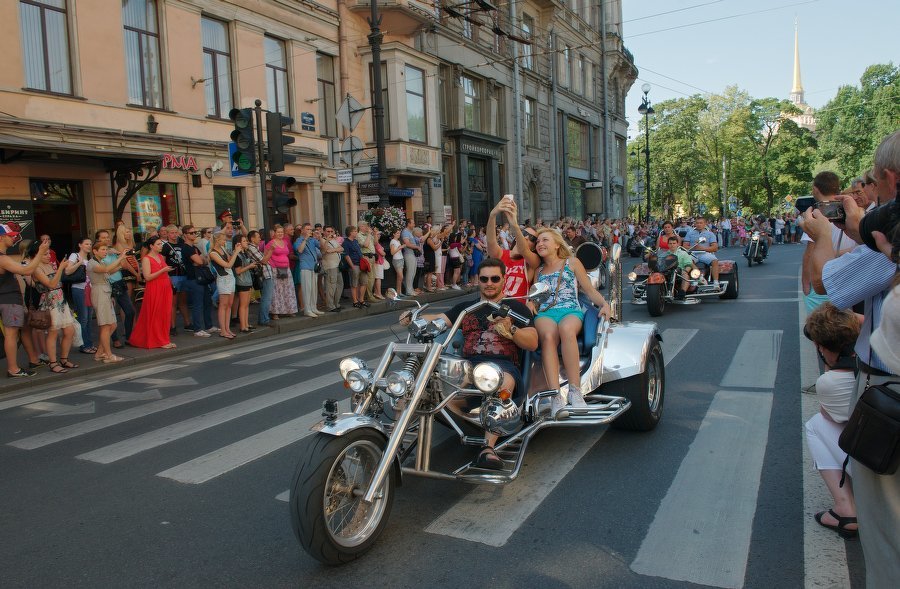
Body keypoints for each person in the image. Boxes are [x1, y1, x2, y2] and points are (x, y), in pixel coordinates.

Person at [804, 130, 899, 587]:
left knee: (888, 542)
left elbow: (827, 283)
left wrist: (825, 232)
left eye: (871, 187)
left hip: (887, 386)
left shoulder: (888, 243)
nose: (865, 197)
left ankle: (848, 510)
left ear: (890, 181)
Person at [401, 258, 538, 469]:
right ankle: (395, 440)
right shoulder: (467, 307)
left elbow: (532, 341)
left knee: (500, 381)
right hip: (467, 369)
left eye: (494, 278)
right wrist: (413, 317)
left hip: (501, 367)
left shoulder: (514, 307)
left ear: (504, 280)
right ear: (478, 281)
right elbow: (437, 318)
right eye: (484, 279)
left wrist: (511, 329)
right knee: (418, 386)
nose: (489, 283)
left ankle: (488, 448)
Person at [532, 228, 611, 418]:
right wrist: (530, 301)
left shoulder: (572, 263)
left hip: (570, 310)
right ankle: (555, 396)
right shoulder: (538, 270)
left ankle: (575, 391)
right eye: (538, 242)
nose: (540, 244)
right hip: (546, 312)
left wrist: (604, 303)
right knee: (548, 336)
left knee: (566, 329)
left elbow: (589, 291)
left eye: (545, 240)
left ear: (557, 244)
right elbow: (535, 296)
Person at [802, 303, 860, 538]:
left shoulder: (830, 382)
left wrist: (827, 367)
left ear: (820, 346)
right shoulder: (878, 354)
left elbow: (829, 415)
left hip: (879, 460)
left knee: (815, 424)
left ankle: (845, 508)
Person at [1, 230, 49, 377]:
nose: (14, 237)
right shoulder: (3, 258)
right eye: (10, 235)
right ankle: (13, 369)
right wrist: (40, 252)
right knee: (11, 334)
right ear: (1, 237)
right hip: (8, 300)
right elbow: (27, 270)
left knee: (24, 329)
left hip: (9, 300)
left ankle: (33, 359)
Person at [28, 242, 78, 373]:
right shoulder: (36, 268)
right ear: (36, 254)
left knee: (69, 330)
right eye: (45, 253)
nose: (48, 255)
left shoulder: (49, 264)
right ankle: (53, 362)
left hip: (61, 300)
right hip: (50, 301)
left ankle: (64, 359)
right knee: (53, 333)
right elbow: (51, 284)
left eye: (49, 253)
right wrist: (60, 268)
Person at [129, 237, 176, 350]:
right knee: (156, 313)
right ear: (151, 246)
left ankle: (164, 339)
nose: (161, 246)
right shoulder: (146, 259)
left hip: (165, 287)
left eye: (161, 244)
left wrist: (170, 283)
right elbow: (147, 277)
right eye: (158, 244)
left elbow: (165, 273)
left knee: (165, 313)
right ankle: (158, 340)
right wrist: (163, 271)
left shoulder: (160, 256)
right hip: (154, 288)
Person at [87, 241, 127, 363]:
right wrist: (119, 258)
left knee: (113, 324)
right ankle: (108, 355)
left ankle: (100, 352)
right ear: (95, 251)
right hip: (99, 292)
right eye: (103, 249)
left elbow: (108, 272)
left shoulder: (100, 261)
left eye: (106, 249)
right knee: (105, 326)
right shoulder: (92, 263)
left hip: (105, 292)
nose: (105, 252)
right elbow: (106, 269)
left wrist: (120, 264)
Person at [177, 225, 214, 337]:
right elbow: (200, 260)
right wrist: (201, 260)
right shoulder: (186, 248)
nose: (194, 234)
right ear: (185, 235)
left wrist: (201, 260)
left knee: (207, 302)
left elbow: (205, 260)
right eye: (191, 233)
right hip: (194, 278)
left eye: (195, 232)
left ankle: (209, 326)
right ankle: (197, 329)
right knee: (198, 304)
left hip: (202, 277)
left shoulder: (195, 247)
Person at [209, 231, 241, 339]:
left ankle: (227, 329)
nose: (225, 241)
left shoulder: (222, 249)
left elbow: (229, 259)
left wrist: (234, 251)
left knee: (229, 304)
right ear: (217, 240)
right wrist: (236, 252)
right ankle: (223, 330)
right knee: (223, 305)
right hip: (223, 279)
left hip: (230, 277)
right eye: (223, 240)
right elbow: (228, 265)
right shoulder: (213, 253)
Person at [67, 237, 95, 355]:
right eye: (86, 244)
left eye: (90, 244)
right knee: (83, 318)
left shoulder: (89, 258)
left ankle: (88, 343)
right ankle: (83, 345)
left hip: (89, 290)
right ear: (80, 245)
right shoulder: (75, 256)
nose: (89, 246)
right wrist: (79, 262)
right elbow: (68, 271)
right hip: (79, 289)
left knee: (88, 318)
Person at [266, 224, 298, 318]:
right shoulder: (271, 243)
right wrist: (273, 266)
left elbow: (287, 254)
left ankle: (289, 310)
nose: (280, 234)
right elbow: (266, 256)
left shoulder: (285, 242)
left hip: (286, 269)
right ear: (274, 233)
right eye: (278, 232)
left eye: (281, 232)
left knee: (288, 290)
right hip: (276, 269)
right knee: (277, 291)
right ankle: (275, 312)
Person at [246, 230, 275, 325]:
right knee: (266, 298)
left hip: (266, 274)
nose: (259, 238)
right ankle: (264, 319)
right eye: (257, 237)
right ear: (252, 239)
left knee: (266, 297)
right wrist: (271, 250)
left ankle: (263, 318)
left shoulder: (255, 247)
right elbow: (264, 261)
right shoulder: (251, 248)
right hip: (264, 275)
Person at [295, 223, 323, 318]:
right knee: (307, 289)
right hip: (305, 267)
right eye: (307, 229)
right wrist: (305, 239)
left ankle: (313, 307)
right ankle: (307, 309)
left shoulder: (313, 240)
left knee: (313, 289)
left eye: (310, 229)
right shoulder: (298, 240)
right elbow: (299, 250)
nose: (309, 231)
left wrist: (320, 237)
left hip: (314, 267)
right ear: (302, 230)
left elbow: (322, 247)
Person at [684, 216, 720, 286]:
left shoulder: (710, 234)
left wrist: (702, 248)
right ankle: (696, 278)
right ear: (695, 224)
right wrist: (694, 248)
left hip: (705, 253)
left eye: (701, 223)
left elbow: (715, 248)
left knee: (715, 261)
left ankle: (716, 282)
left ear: (705, 224)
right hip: (693, 253)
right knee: (688, 261)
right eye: (697, 223)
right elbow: (684, 246)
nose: (699, 224)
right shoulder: (690, 233)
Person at [232, 234, 257, 333]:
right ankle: (243, 326)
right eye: (244, 241)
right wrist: (250, 266)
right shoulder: (237, 255)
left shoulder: (245, 253)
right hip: (241, 282)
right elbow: (238, 271)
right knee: (243, 305)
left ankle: (246, 324)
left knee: (246, 304)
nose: (247, 242)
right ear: (238, 243)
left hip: (247, 280)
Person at [320, 226, 343, 313]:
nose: (330, 233)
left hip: (337, 265)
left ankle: (336, 304)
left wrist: (333, 250)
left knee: (340, 285)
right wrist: (327, 240)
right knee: (331, 286)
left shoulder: (334, 240)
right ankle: (330, 306)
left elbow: (342, 248)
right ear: (324, 232)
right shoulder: (322, 240)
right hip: (330, 266)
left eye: (331, 231)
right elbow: (325, 250)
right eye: (328, 231)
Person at [343, 225, 365, 308]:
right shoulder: (346, 242)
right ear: (350, 233)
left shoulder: (355, 241)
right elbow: (346, 255)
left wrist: (363, 261)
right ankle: (355, 301)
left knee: (364, 282)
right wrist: (352, 266)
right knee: (354, 284)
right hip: (354, 265)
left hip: (361, 264)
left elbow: (359, 252)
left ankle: (361, 300)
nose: (356, 232)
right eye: (355, 231)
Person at [358, 221, 377, 302]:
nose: (367, 227)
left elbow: (375, 243)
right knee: (369, 278)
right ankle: (369, 296)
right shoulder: (359, 235)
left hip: (372, 257)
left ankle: (369, 295)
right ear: (360, 227)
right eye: (365, 226)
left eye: (367, 226)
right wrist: (369, 234)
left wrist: (375, 234)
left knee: (372, 277)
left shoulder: (367, 235)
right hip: (366, 257)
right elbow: (365, 245)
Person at [400, 218, 417, 296]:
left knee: (413, 272)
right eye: (413, 223)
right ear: (408, 224)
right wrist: (416, 247)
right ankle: (408, 291)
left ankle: (411, 289)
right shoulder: (405, 232)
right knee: (410, 272)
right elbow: (407, 243)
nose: (414, 225)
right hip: (408, 254)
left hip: (412, 254)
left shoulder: (409, 232)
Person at [389, 228, 405, 294]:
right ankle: (398, 292)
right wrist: (400, 248)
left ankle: (399, 292)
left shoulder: (398, 241)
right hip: (396, 260)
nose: (399, 234)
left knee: (399, 277)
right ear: (394, 234)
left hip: (401, 259)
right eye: (397, 233)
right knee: (401, 276)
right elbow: (392, 253)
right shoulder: (393, 241)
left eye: (399, 233)